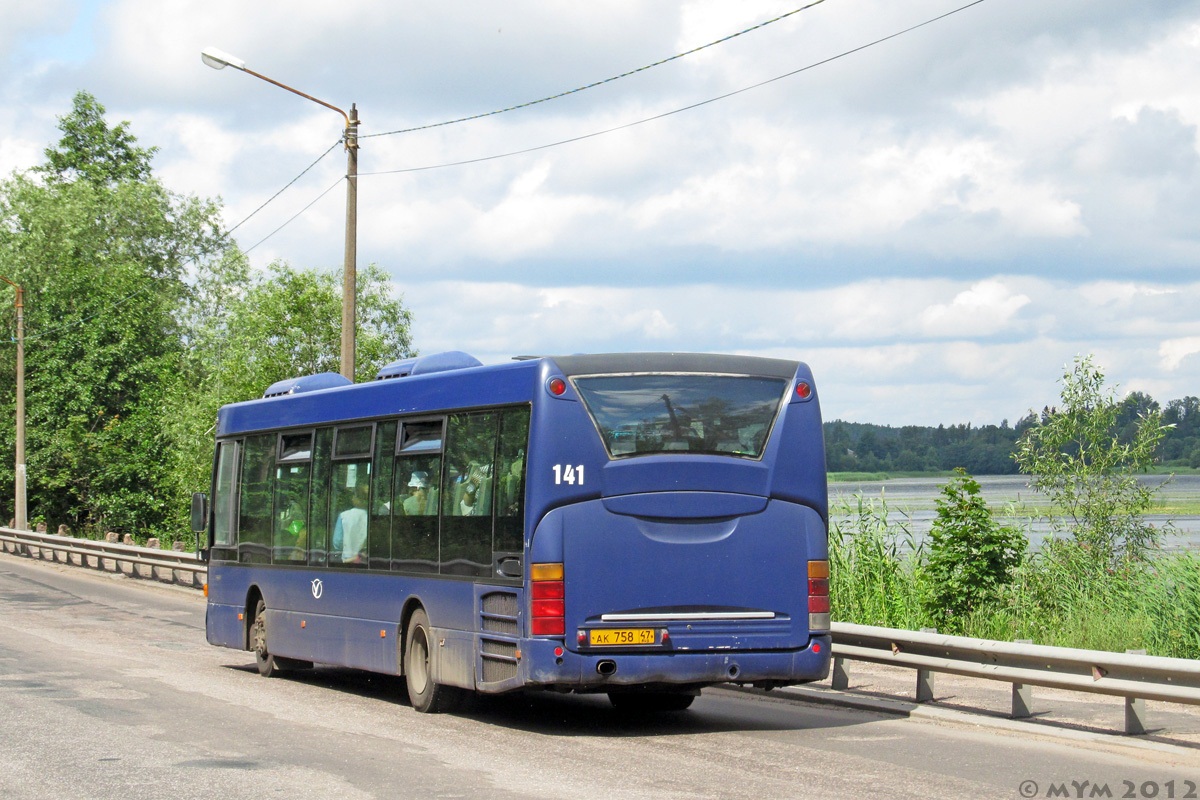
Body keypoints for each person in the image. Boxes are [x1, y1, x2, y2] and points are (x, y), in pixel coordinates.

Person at [337, 483, 369, 564]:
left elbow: (337, 541)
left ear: (356, 498)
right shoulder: (372, 517)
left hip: (347, 560)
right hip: (364, 561)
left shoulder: (343, 516)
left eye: (354, 495)